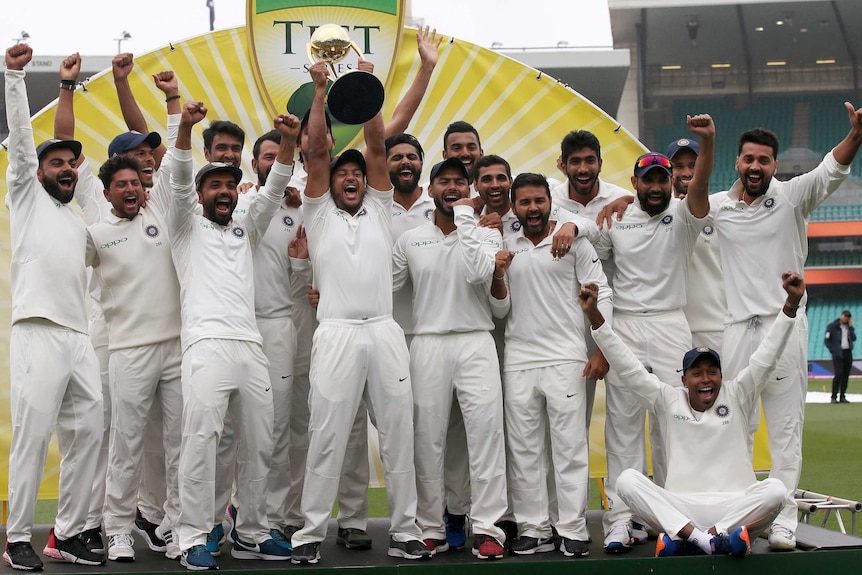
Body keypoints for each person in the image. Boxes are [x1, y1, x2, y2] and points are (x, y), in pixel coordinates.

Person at [684, 101, 862, 550]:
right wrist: (707, 142)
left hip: (782, 325)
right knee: (734, 429)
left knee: (784, 430)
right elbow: (696, 198)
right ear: (738, 162)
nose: (756, 166)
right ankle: (742, 515)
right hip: (736, 329)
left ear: (775, 165)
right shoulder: (723, 207)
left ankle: (783, 520)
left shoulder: (792, 195)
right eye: (749, 158)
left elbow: (830, 169)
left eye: (764, 159)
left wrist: (857, 135)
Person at [289, 60, 430, 565]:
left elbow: (375, 145)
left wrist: (368, 85)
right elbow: (320, 150)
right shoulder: (317, 210)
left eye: (356, 174)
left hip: (385, 332)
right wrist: (322, 92)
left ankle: (407, 530)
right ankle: (309, 533)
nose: (350, 177)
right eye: (341, 174)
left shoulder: (381, 203)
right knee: (327, 435)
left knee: (397, 434)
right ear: (326, 183)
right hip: (337, 333)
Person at [579, 271, 805, 558]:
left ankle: (695, 539)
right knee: (626, 481)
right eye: (697, 373)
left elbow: (768, 354)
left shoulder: (739, 392)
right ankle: (711, 541)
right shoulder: (667, 399)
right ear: (684, 380)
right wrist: (595, 318)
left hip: (733, 506)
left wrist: (791, 306)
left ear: (722, 375)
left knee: (774, 490)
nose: (706, 379)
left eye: (712, 372)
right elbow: (627, 365)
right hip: (680, 506)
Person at [167, 100, 299, 570]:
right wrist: (182, 124)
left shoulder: (247, 224)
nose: (223, 192)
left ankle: (252, 531)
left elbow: (275, 184)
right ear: (200, 194)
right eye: (213, 186)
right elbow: (178, 177)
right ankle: (192, 535)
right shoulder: (183, 228)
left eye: (229, 184)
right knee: (201, 440)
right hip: (205, 345)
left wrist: (289, 139)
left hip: (251, 345)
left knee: (261, 442)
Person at [3, 43, 105, 570]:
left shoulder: (78, 217)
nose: (65, 169)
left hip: (78, 337)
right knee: (34, 437)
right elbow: (22, 144)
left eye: (71, 163)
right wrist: (14, 78)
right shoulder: (25, 192)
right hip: (37, 332)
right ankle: (17, 535)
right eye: (56, 162)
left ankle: (65, 534)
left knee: (91, 428)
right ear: (38, 171)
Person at [593, 136, 710, 552]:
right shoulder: (616, 219)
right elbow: (591, 241)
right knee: (622, 423)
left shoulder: (682, 214)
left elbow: (696, 189)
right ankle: (621, 519)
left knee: (671, 424)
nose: (657, 186)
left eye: (663, 179)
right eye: (649, 180)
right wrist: (574, 224)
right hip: (624, 323)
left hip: (669, 324)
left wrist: (708, 142)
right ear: (636, 182)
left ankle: (671, 517)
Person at [392, 157, 509, 559]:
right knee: (427, 438)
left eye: (461, 182)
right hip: (427, 343)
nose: (453, 187)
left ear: (470, 189)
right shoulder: (411, 239)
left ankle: (489, 528)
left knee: (485, 436)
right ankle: (430, 527)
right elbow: (383, 285)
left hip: (476, 340)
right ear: (431, 189)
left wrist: (468, 220)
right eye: (445, 181)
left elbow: (479, 273)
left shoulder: (486, 235)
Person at [494, 173, 612, 558]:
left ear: (550, 202)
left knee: (569, 447)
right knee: (525, 449)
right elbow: (501, 307)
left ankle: (573, 527)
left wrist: (601, 348)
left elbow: (601, 291)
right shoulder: (505, 246)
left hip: (565, 356)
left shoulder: (573, 240)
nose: (533, 209)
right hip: (519, 359)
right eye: (524, 202)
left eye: (539, 201)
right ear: (514, 206)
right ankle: (534, 527)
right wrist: (498, 272)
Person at [550, 130, 629, 432]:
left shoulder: (619, 198)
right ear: (562, 165)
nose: (583, 169)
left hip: (618, 316)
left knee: (624, 416)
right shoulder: (551, 197)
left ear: (600, 163)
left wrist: (631, 197)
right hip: (567, 322)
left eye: (589, 161)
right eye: (575, 162)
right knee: (572, 419)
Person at [826, 310, 856, 403]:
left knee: (845, 375)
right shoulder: (832, 326)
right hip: (838, 353)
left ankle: (842, 396)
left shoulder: (848, 328)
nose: (846, 318)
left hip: (847, 353)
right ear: (841, 316)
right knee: (838, 373)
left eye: (848, 317)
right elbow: (827, 340)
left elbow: (854, 338)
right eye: (845, 316)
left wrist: (851, 327)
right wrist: (833, 350)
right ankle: (833, 396)